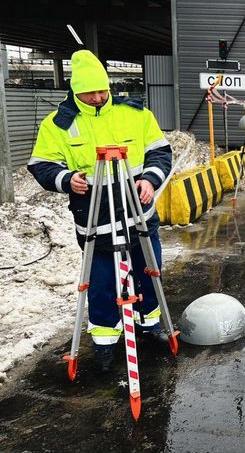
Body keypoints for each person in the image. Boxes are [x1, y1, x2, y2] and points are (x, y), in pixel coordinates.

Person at [28, 50, 172, 371]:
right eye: (89, 92)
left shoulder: (135, 114)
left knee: (149, 272)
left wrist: (150, 179)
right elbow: (41, 164)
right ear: (75, 91)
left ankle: (150, 326)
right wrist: (67, 180)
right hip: (97, 221)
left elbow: (160, 152)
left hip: (139, 216)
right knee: (101, 282)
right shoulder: (59, 125)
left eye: (101, 90)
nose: (96, 97)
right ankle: (105, 343)